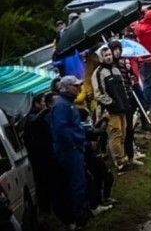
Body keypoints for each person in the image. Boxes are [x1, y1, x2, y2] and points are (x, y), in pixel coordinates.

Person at [50, 76, 91, 228]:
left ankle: (83, 212)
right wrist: (73, 144)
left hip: (74, 148)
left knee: (79, 182)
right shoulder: (61, 105)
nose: (79, 88)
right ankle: (79, 217)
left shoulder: (68, 103)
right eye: (76, 86)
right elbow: (60, 130)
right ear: (67, 88)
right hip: (69, 151)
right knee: (76, 184)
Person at [92, 46, 131, 171]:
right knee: (116, 134)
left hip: (122, 107)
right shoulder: (98, 73)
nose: (108, 57)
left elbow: (123, 87)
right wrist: (111, 103)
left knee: (123, 134)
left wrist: (125, 102)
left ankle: (124, 158)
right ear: (101, 57)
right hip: (110, 109)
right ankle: (119, 162)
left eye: (109, 55)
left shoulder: (116, 69)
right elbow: (98, 94)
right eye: (105, 55)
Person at [24, 93, 57, 214]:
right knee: (43, 184)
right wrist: (47, 110)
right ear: (37, 103)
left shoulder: (42, 117)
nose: (45, 104)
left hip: (44, 155)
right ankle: (45, 210)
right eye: (43, 102)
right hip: (39, 158)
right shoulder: (31, 117)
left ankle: (49, 209)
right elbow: (34, 122)